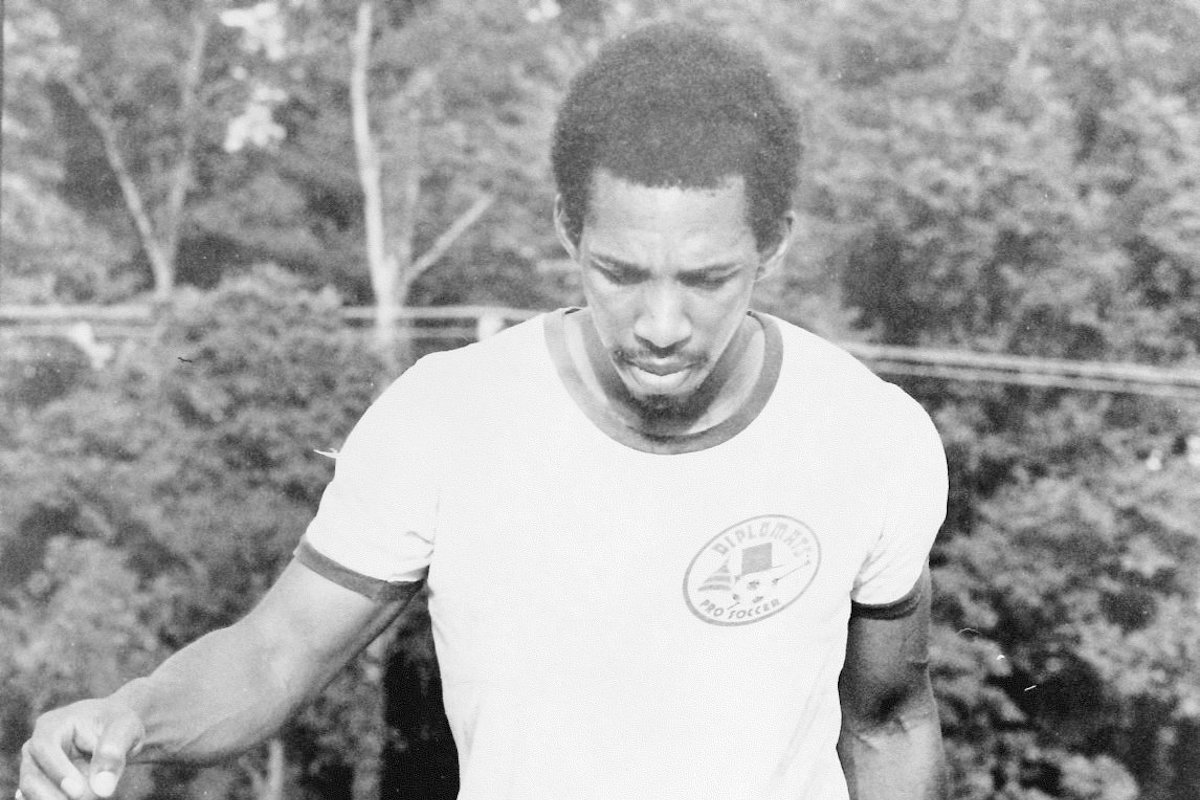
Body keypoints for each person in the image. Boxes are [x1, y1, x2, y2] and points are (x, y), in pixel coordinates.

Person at [16, 22, 948, 800]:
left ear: (773, 243)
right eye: (619, 273)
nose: (662, 325)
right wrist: (134, 717)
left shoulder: (870, 436)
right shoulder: (445, 418)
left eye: (708, 279)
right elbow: (278, 651)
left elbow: (889, 719)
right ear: (566, 230)